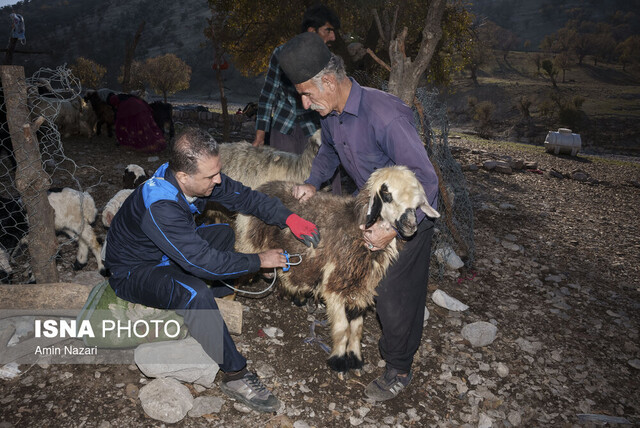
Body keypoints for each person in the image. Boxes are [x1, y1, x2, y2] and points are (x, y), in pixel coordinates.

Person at [104, 127, 320, 412]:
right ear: (183, 177)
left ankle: (210, 313)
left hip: (164, 254)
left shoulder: (194, 177)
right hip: (134, 270)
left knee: (222, 234)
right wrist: (259, 260)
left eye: (218, 172)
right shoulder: (161, 205)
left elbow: (245, 197)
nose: (218, 180)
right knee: (194, 292)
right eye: (211, 176)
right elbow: (202, 263)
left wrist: (289, 217)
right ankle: (234, 375)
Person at [278, 32, 440, 402]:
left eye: (307, 93)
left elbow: (425, 181)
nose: (304, 104)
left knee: (393, 294)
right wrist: (311, 183)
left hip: (408, 219)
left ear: (330, 82)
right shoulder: (332, 114)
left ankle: (399, 368)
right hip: (368, 213)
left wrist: (389, 229)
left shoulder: (386, 116)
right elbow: (329, 152)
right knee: (358, 279)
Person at [252, 4, 342, 194]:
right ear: (311, 31)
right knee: (282, 181)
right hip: (284, 126)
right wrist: (260, 135)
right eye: (328, 30)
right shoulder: (282, 54)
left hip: (317, 126)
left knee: (327, 180)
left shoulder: (330, 59)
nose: (332, 37)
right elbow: (268, 94)